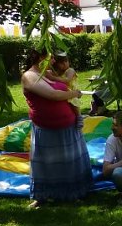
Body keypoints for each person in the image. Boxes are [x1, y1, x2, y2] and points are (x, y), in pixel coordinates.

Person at [22, 49, 90, 208]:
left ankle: (73, 193)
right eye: (50, 58)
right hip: (45, 129)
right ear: (40, 57)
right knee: (46, 163)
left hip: (67, 126)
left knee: (68, 162)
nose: (53, 61)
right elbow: (53, 95)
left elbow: (65, 83)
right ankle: (43, 196)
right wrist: (75, 93)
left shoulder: (48, 73)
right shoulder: (29, 76)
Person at [44, 52, 81, 123]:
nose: (65, 64)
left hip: (72, 91)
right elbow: (47, 73)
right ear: (56, 64)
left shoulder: (70, 70)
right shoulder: (57, 72)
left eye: (66, 61)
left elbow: (67, 80)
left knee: (74, 103)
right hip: (64, 92)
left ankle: (79, 117)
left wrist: (53, 78)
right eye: (61, 63)